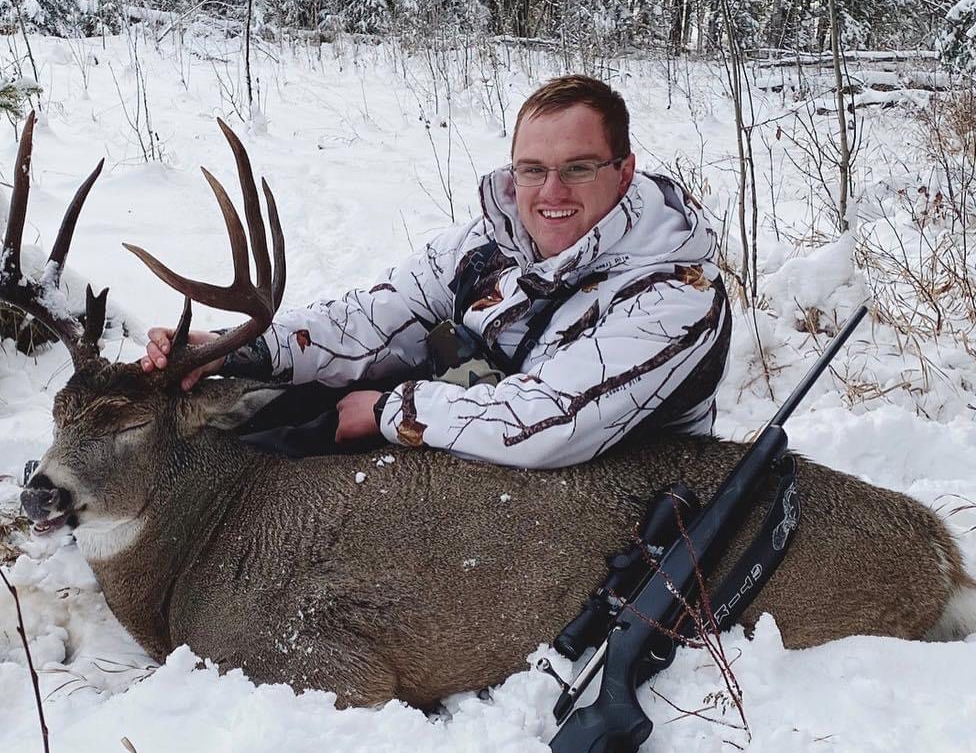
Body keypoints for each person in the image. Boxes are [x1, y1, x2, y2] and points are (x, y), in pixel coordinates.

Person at [143, 74, 731, 469]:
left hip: (587, 491)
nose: (551, 191)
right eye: (532, 169)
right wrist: (239, 349)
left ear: (624, 172)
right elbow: (376, 317)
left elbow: (554, 423)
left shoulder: (676, 295)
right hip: (474, 417)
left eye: (578, 168)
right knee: (288, 401)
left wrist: (390, 412)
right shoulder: (493, 240)